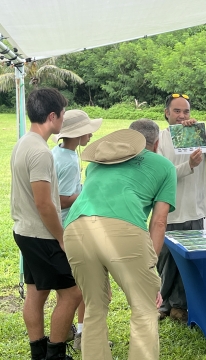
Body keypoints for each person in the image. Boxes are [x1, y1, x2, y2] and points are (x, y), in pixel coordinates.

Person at [63, 122, 177, 360]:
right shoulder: (165, 166)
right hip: (123, 229)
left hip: (75, 228)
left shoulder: (97, 163)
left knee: (94, 307)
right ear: (156, 144)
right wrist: (151, 270)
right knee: (144, 308)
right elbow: (158, 222)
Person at [10, 88, 82, 360]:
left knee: (36, 292)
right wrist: (61, 237)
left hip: (24, 231)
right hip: (41, 235)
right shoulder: (40, 152)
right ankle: (55, 354)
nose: (64, 121)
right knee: (73, 293)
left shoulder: (23, 143)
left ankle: (38, 352)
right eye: (63, 115)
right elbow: (44, 203)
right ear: (52, 116)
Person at [156, 93, 206, 323]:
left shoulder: (196, 134)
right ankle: (162, 304)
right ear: (167, 113)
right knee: (167, 262)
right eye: (177, 111)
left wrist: (202, 131)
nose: (182, 116)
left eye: (185, 111)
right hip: (169, 209)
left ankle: (181, 306)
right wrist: (189, 166)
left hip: (194, 208)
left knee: (190, 261)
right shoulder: (160, 138)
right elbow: (161, 176)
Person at [52, 109, 103, 350]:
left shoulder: (61, 153)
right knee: (82, 285)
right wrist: (87, 193)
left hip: (61, 227)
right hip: (69, 227)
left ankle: (73, 330)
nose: (92, 134)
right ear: (78, 134)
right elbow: (61, 200)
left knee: (67, 287)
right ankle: (83, 333)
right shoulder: (68, 160)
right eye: (88, 130)